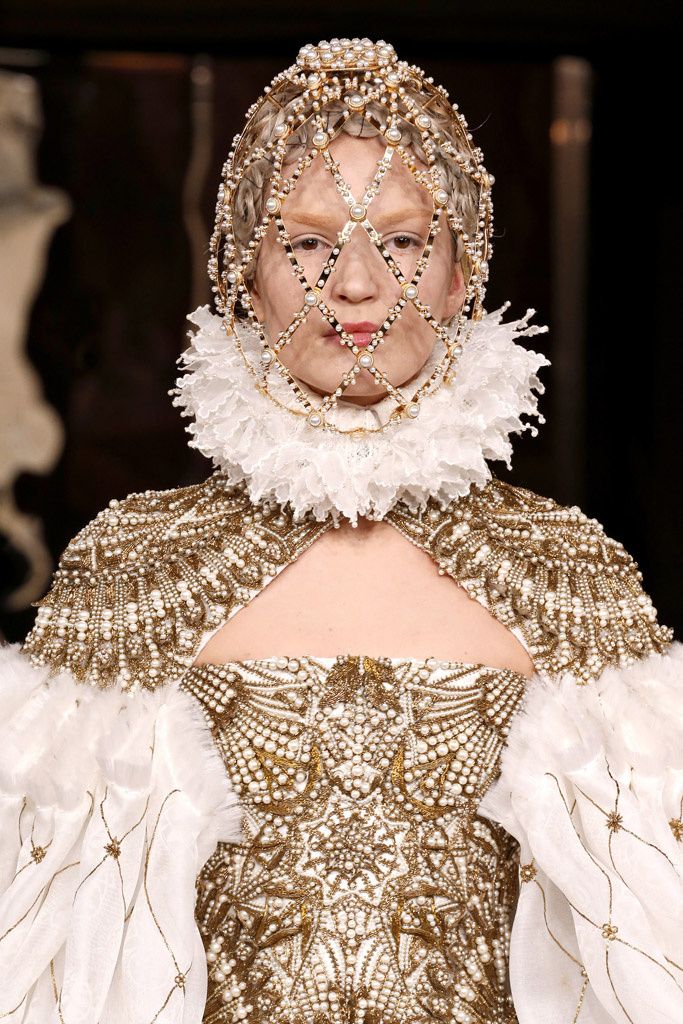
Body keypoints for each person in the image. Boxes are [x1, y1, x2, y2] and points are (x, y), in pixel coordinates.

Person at [0, 37, 680, 1024]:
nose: (355, 283)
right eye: (308, 244)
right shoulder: (134, 570)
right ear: (245, 276)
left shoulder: (563, 573)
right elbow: (46, 953)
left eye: (400, 241)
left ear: (460, 276)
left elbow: (646, 950)